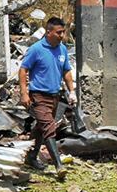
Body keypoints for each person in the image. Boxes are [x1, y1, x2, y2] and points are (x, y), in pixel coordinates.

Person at [18, 16, 76, 179]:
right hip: (39, 95)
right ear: (49, 32)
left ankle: (30, 156)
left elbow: (66, 71)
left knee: (40, 128)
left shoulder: (62, 49)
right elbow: (23, 70)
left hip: (55, 95)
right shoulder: (36, 49)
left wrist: (71, 91)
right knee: (49, 127)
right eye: (58, 32)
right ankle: (59, 166)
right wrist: (24, 93)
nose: (61, 35)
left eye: (63, 32)